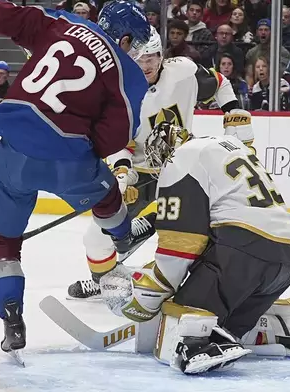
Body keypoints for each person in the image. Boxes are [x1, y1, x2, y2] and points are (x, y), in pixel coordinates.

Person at [0, 0, 151, 357]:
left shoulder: (62, 22)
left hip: (16, 144)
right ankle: (121, 237)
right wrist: (86, 154)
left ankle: (11, 316)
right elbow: (114, 139)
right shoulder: (127, 74)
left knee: (1, 242)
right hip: (69, 155)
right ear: (127, 39)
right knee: (107, 197)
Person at [99, 122, 290, 374]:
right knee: (226, 325)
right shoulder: (226, 148)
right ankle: (286, 330)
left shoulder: (181, 158)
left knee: (181, 315)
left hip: (240, 260)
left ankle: (194, 346)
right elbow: (214, 209)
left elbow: (182, 243)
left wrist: (154, 287)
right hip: (283, 264)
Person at [66, 28, 256, 300]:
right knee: (95, 238)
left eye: (153, 57)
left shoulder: (184, 72)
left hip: (183, 171)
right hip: (141, 174)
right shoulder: (119, 92)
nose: (147, 65)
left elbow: (220, 83)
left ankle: (205, 276)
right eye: (140, 59)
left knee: (193, 233)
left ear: (162, 55)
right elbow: (122, 143)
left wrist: (233, 110)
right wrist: (122, 174)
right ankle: (106, 282)